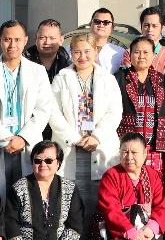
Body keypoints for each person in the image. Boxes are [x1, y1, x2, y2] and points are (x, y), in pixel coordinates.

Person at [0, 20, 54, 191]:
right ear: (0, 41)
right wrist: (6, 140)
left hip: (27, 144)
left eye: (17, 40)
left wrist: (22, 138)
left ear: (25, 41)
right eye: (8, 39)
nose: (12, 44)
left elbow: (43, 110)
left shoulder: (38, 72)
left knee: (28, 196)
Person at [48, 33, 121, 212]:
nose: (82, 56)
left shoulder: (107, 78)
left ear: (95, 51)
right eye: (77, 52)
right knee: (70, 202)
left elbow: (115, 112)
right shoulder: (61, 78)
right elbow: (53, 113)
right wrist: (74, 138)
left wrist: (97, 136)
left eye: (87, 51)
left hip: (100, 145)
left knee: (99, 202)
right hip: (71, 144)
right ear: (71, 53)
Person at [6, 140, 84, 240]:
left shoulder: (69, 188)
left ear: (58, 163)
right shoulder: (19, 188)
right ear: (32, 163)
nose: (43, 165)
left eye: (49, 160)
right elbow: (10, 223)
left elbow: (75, 223)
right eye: (38, 160)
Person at [116, 36, 165, 165]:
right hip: (127, 147)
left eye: (146, 52)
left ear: (153, 55)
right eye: (137, 52)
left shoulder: (161, 80)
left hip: (154, 147)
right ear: (130, 55)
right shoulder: (119, 78)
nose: (141, 56)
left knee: (153, 178)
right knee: (127, 177)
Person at [136, 6, 165, 76]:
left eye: (154, 26)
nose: (150, 30)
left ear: (162, 28)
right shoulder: (129, 53)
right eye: (146, 25)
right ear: (141, 27)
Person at [29, 18, 73, 83]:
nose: (47, 42)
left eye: (52, 38)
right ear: (36, 39)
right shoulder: (24, 63)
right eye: (42, 38)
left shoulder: (69, 66)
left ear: (61, 40)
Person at [88, 8, 125, 72]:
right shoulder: (73, 49)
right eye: (97, 21)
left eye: (106, 22)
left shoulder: (121, 53)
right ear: (90, 24)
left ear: (112, 27)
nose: (101, 25)